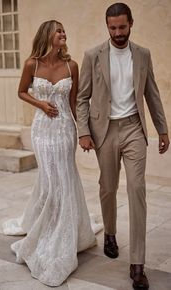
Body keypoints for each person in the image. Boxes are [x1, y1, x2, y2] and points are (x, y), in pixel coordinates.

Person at [2, 20, 103, 287]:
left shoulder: (72, 66)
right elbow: (21, 92)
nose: (63, 33)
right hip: (42, 130)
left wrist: (84, 132)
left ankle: (65, 230)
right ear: (47, 35)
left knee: (65, 178)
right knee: (50, 180)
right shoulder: (31, 64)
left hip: (65, 130)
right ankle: (46, 227)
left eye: (64, 30)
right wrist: (41, 104)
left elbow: (74, 102)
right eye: (58, 30)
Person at [77, 3, 169, 290]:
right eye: (112, 28)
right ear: (107, 27)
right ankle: (110, 234)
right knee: (108, 187)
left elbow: (152, 92)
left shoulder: (143, 54)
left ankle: (138, 264)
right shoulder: (93, 55)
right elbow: (82, 98)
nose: (117, 33)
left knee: (137, 188)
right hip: (104, 130)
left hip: (133, 128)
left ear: (131, 24)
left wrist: (162, 128)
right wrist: (83, 132)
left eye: (122, 27)